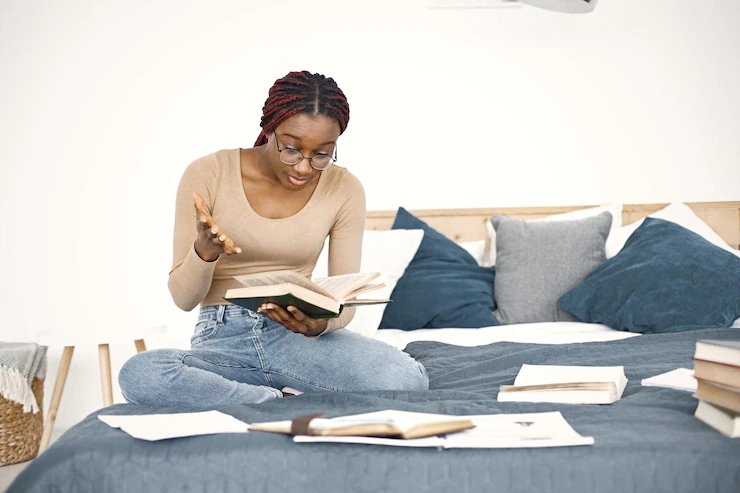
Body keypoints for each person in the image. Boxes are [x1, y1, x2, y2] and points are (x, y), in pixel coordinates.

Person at [118, 71, 429, 406]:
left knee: (406, 378)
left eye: (322, 154)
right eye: (291, 149)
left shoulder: (345, 188)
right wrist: (204, 253)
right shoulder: (208, 173)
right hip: (222, 336)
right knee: (141, 373)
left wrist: (317, 325)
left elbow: (345, 295)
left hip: (298, 336)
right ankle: (275, 400)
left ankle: (250, 398)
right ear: (269, 128)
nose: (304, 168)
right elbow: (183, 299)